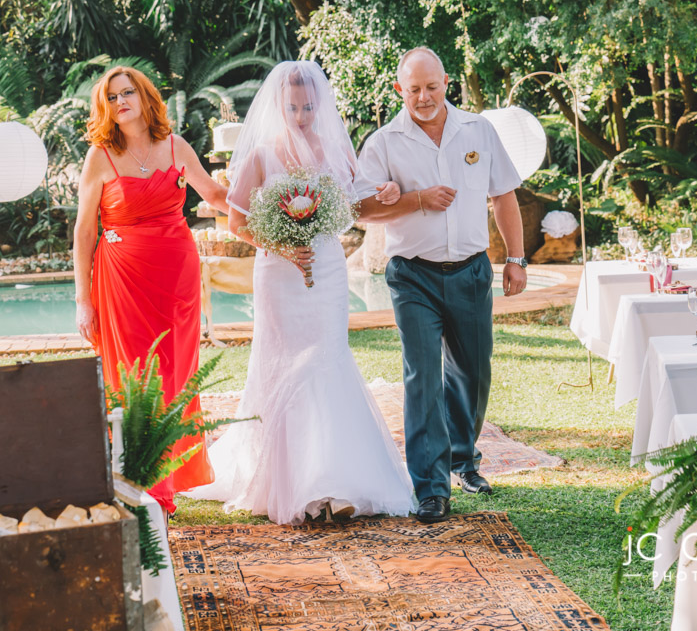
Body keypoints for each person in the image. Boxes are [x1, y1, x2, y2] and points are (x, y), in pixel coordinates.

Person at [185, 61, 415, 525]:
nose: (302, 116)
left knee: (327, 357)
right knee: (284, 362)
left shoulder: (337, 150)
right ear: (278, 106)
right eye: (293, 107)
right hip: (278, 274)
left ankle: (336, 478)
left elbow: (359, 200)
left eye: (309, 107)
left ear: (319, 105)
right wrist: (283, 247)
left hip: (326, 268)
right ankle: (293, 480)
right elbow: (237, 222)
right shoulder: (260, 156)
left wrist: (389, 192)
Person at [357, 46, 527, 524]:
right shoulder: (383, 142)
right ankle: (431, 488)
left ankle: (463, 460)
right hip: (413, 275)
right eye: (413, 89)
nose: (424, 97)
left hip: (471, 270)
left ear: (446, 83)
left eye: (432, 87)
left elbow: (503, 195)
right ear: (400, 90)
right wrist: (413, 199)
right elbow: (359, 208)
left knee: (472, 373)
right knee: (423, 377)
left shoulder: (478, 130)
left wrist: (515, 258)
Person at [73, 65, 230, 515]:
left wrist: (262, 204)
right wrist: (83, 300)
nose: (120, 102)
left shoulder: (176, 146)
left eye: (127, 93)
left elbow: (214, 196)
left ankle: (164, 481)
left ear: (144, 97)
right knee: (133, 378)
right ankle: (140, 482)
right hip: (122, 282)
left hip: (177, 281)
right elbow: (84, 232)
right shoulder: (100, 156)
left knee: (175, 375)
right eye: (111, 97)